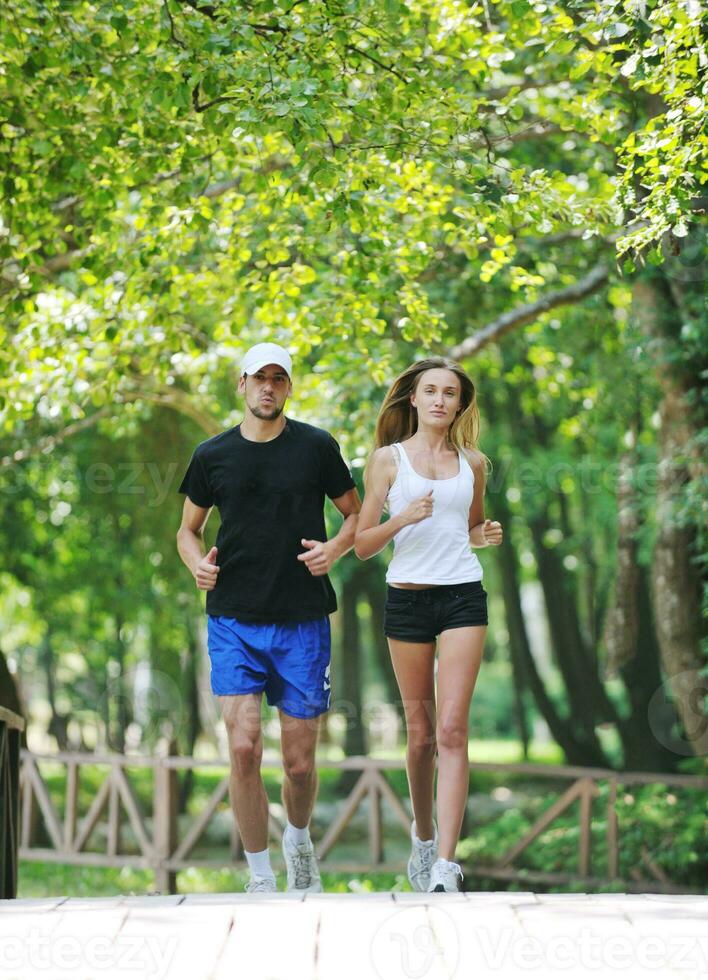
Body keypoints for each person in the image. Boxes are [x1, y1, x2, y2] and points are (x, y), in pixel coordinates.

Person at [176, 342, 360, 893]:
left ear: (288, 387)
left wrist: (335, 550)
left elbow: (354, 514)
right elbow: (188, 530)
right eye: (260, 378)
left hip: (302, 620)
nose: (268, 388)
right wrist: (196, 567)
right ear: (242, 383)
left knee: (300, 763)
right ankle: (259, 877)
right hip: (232, 617)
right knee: (242, 746)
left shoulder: (317, 447)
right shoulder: (212, 455)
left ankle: (298, 842)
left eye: (279, 379)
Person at [354, 357, 502, 893]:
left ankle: (445, 864)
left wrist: (486, 534)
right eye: (430, 391)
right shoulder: (387, 462)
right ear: (412, 399)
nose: (440, 400)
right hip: (408, 602)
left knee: (452, 731)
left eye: (450, 393)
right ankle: (422, 836)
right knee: (419, 737)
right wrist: (402, 519)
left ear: (461, 403)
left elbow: (468, 529)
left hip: (463, 597)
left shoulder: (475, 463)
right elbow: (364, 546)